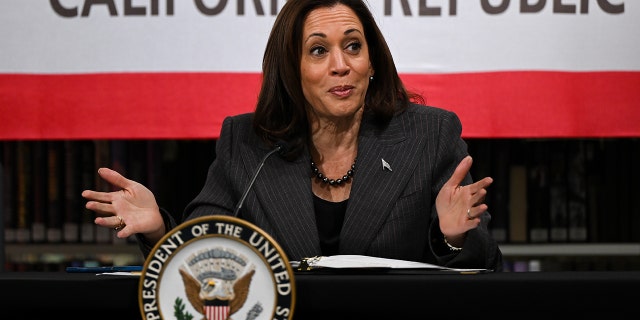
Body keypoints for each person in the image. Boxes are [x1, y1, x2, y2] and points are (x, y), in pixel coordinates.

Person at [82, 0, 503, 271]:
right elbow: (206, 254)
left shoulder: (429, 134)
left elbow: (487, 264)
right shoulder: (247, 142)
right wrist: (157, 230)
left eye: (353, 46)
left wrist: (452, 237)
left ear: (372, 62)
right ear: (292, 69)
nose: (341, 65)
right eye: (319, 51)